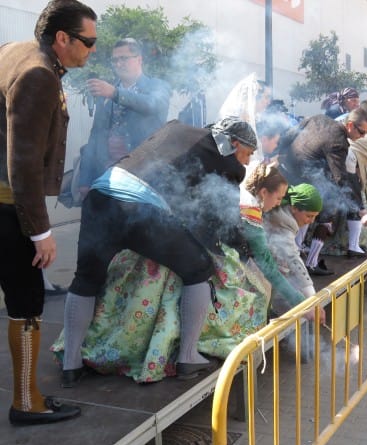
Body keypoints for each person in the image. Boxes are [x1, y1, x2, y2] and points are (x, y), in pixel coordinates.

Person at [60, 117, 256, 387]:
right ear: (234, 144)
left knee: (86, 278)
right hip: (139, 207)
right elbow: (223, 216)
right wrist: (243, 247)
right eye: (248, 153)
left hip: (100, 193)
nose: (246, 162)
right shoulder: (228, 161)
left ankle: (71, 365)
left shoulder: (176, 127)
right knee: (198, 268)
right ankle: (188, 357)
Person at [0, 0, 97, 426]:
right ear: (62, 38)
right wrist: (41, 232)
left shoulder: (12, 50)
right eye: (88, 42)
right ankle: (25, 402)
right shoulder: (40, 75)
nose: (91, 51)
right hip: (8, 207)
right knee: (26, 302)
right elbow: (22, 161)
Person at [277, 108, 367, 273]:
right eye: (362, 132)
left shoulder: (318, 117)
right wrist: (360, 209)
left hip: (288, 172)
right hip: (306, 179)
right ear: (350, 125)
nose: (362, 136)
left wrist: (279, 154)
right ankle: (310, 263)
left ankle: (297, 253)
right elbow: (340, 178)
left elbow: (289, 135)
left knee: (303, 212)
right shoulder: (339, 143)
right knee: (328, 213)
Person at [78, 38, 171, 197]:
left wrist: (115, 93)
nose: (119, 64)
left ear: (139, 59)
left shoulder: (157, 86)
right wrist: (85, 180)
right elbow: (95, 136)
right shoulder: (107, 92)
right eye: (115, 60)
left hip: (143, 178)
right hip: (106, 177)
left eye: (124, 58)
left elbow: (151, 104)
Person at [263, 183, 324, 314]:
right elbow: (292, 258)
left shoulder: (284, 213)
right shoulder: (282, 222)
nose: (312, 221)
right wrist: (312, 297)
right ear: (294, 208)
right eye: (309, 216)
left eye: (315, 216)